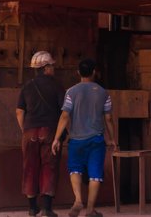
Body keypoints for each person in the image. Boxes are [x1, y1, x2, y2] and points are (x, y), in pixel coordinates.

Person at [52, 59, 116, 217]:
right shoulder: (103, 93)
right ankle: (90, 209)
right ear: (94, 72)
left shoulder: (71, 92)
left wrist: (56, 138)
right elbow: (108, 119)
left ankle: (78, 200)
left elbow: (65, 116)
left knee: (75, 169)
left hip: (76, 140)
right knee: (95, 174)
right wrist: (112, 139)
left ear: (78, 72)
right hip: (96, 140)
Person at [17, 51, 64, 217]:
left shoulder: (27, 86)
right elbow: (64, 112)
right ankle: (46, 208)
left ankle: (32, 208)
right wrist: (60, 135)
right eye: (51, 65)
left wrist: (24, 130)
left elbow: (19, 112)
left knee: (29, 167)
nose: (53, 68)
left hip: (29, 131)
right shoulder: (57, 86)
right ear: (45, 68)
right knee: (48, 167)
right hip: (49, 131)